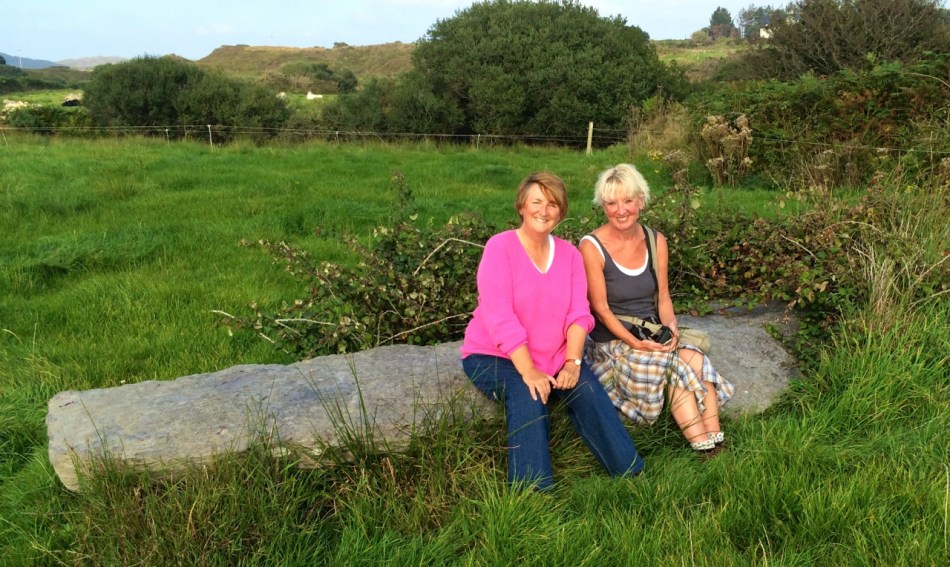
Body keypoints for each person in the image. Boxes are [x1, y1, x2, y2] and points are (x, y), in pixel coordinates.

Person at [460, 171, 644, 490]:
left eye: (553, 204)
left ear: (561, 211)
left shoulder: (570, 255)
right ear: (521, 206)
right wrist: (528, 370)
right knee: (527, 393)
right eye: (537, 202)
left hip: (556, 356)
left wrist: (573, 362)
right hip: (495, 354)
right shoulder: (499, 248)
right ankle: (533, 495)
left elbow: (578, 314)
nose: (544, 210)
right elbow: (499, 315)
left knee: (586, 389)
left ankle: (630, 474)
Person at [579, 164, 734, 457]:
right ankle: (705, 449)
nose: (620, 210)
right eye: (611, 203)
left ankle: (716, 438)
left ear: (641, 201)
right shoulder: (591, 246)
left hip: (652, 332)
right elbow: (600, 310)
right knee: (677, 367)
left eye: (627, 201)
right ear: (603, 206)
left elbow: (663, 296)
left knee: (696, 359)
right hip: (613, 343)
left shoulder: (655, 240)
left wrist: (671, 329)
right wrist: (635, 342)